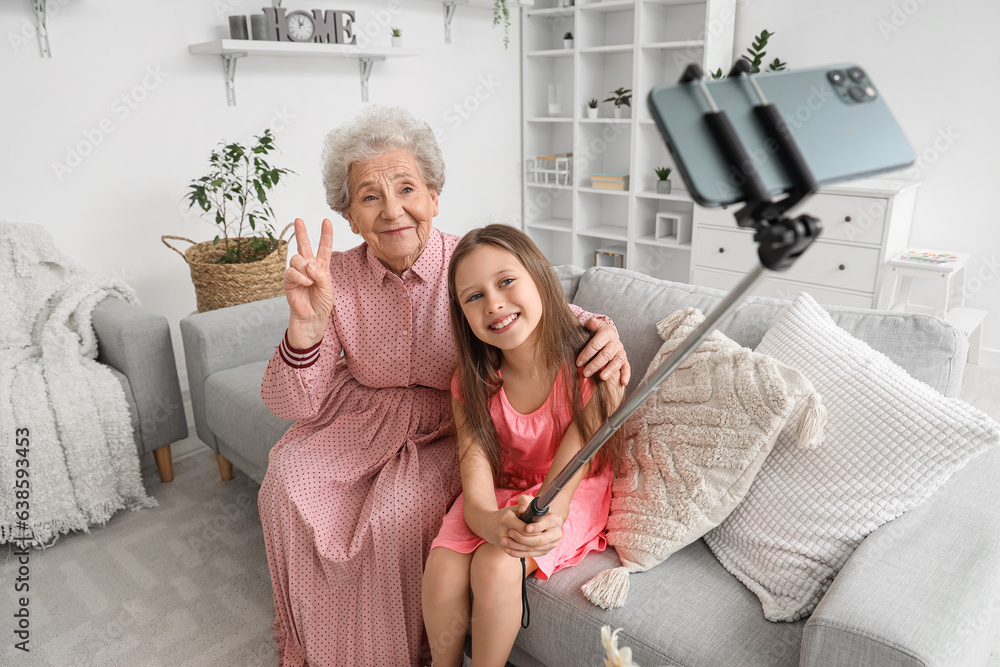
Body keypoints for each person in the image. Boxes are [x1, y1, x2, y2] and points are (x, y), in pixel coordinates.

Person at [258, 106, 632, 667]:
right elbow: (294, 404)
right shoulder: (334, 276)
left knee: (396, 515)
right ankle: (321, 644)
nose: (392, 211)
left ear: (434, 196)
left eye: (407, 188)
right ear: (349, 214)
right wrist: (305, 328)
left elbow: (542, 310)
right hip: (357, 418)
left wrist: (607, 334)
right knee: (286, 480)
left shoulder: (470, 264)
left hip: (448, 425)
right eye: (369, 197)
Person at [422, 225, 628, 667]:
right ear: (462, 315)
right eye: (473, 297)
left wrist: (539, 520)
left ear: (539, 277)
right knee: (442, 568)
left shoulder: (589, 367)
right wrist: (488, 521)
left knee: (495, 565)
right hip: (503, 490)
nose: (494, 303)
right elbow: (475, 490)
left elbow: (563, 486)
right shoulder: (470, 383)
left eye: (506, 281)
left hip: (566, 491)